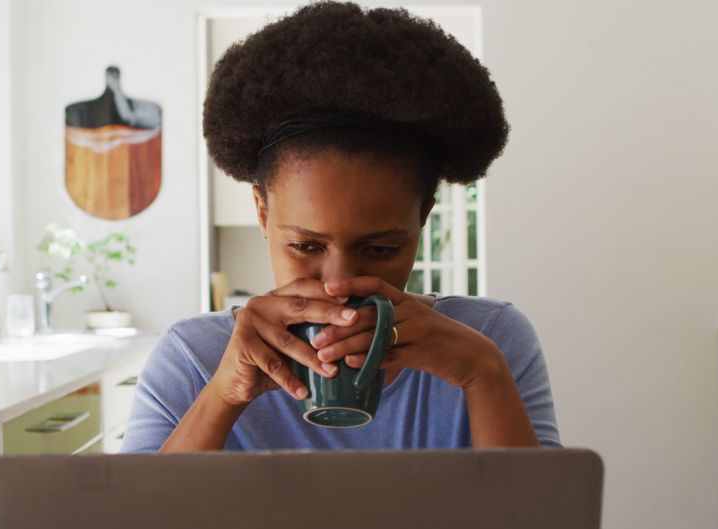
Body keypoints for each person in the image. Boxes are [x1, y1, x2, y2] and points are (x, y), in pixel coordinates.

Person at [121, 1, 560, 453]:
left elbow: (545, 524)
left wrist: (483, 374)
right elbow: (134, 523)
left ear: (422, 219)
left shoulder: (492, 339)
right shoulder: (193, 358)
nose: (338, 285)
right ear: (262, 214)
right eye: (305, 246)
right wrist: (224, 396)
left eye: (381, 248)